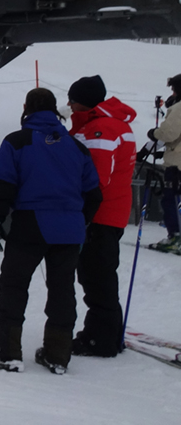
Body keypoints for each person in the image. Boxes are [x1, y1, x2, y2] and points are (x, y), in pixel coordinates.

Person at [0, 89, 102, 375]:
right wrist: (80, 225)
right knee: (62, 289)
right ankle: (58, 355)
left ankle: (7, 353)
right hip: (69, 229)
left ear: (26, 108)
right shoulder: (76, 146)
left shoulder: (16, 142)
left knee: (14, 286)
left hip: (30, 224)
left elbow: (4, 186)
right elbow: (93, 194)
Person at [65, 75, 137, 357]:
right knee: (100, 275)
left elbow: (94, 180)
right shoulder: (114, 124)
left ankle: (101, 338)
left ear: (84, 101)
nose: (69, 105)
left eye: (73, 99)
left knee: (96, 277)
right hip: (111, 213)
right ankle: (106, 332)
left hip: (99, 215)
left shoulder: (100, 130)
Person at [149, 74, 181, 253]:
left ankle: (176, 237)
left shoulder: (179, 108)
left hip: (177, 165)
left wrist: (154, 133)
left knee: (172, 199)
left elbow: (169, 133)